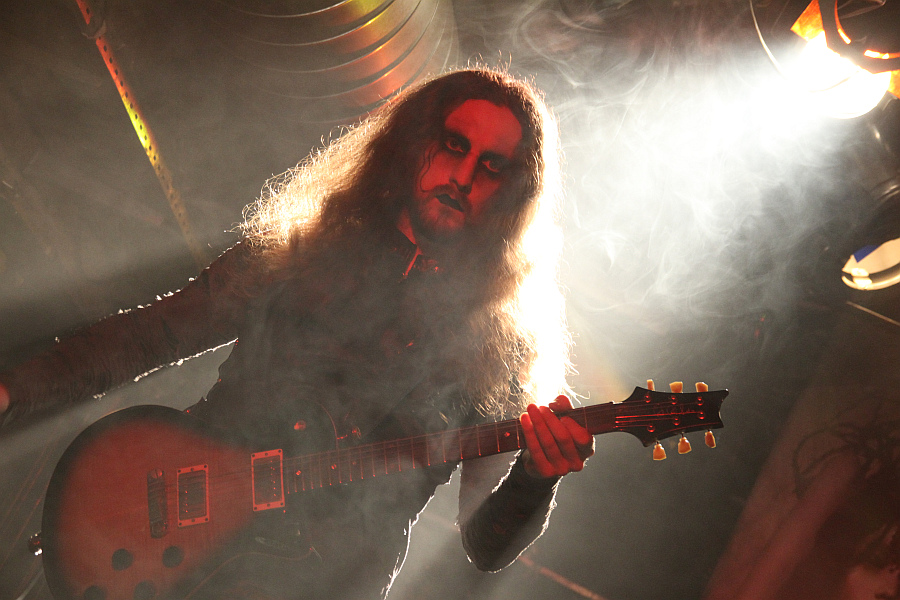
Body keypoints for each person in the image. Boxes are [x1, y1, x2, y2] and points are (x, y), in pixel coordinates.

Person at [0, 68, 594, 599]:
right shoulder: (301, 253)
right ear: (413, 143)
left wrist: (536, 479)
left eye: (491, 166)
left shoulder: (497, 351)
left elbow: (484, 545)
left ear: (512, 193)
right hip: (178, 541)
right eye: (453, 145)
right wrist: (13, 391)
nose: (462, 176)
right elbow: (152, 334)